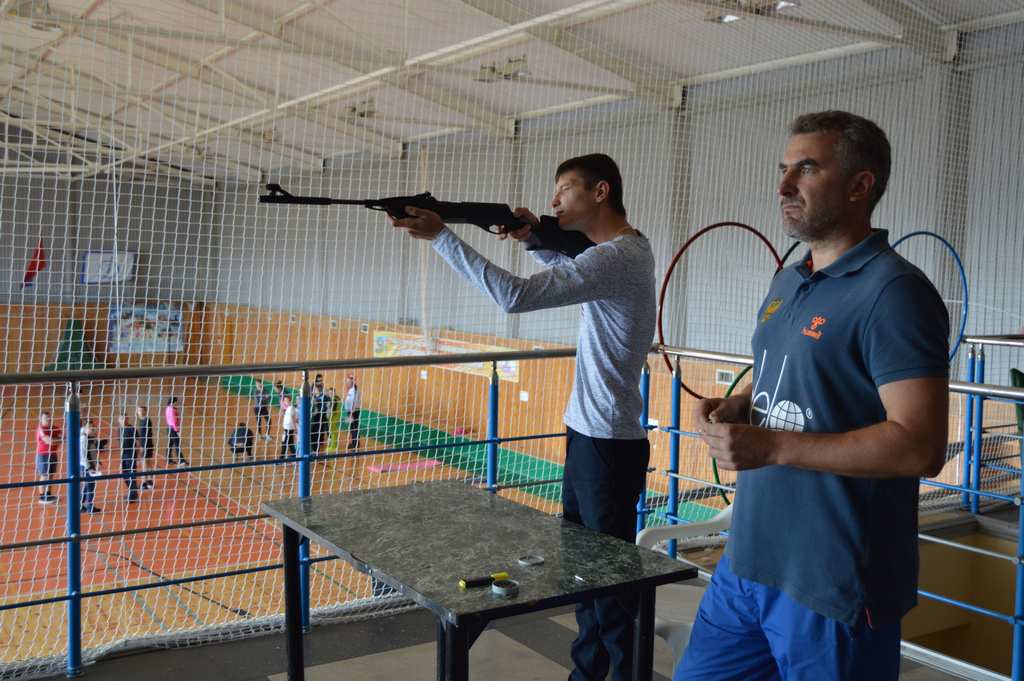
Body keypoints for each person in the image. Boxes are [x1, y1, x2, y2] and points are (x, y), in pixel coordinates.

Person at [674, 111, 950, 681]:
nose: (783, 186)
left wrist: (774, 447)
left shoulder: (895, 293)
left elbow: (919, 446)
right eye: (783, 169)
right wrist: (741, 404)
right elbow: (787, 372)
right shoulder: (789, 278)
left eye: (806, 168)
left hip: (832, 584)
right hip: (747, 563)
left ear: (859, 184)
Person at [392, 153, 656, 681]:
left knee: (610, 588)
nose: (554, 200)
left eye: (565, 189)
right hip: (591, 434)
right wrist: (534, 237)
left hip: (606, 442)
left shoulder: (617, 256)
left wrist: (443, 237)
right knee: (585, 577)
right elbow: (572, 269)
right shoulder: (622, 251)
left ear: (600, 192)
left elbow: (514, 297)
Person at [79, 419, 106, 514]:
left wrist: (97, 461)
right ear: (85, 429)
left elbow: (92, 452)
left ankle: (80, 505)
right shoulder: (83, 439)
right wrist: (89, 468)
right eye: (90, 427)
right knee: (90, 486)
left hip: (90, 465)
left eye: (93, 427)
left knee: (87, 486)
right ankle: (89, 507)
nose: (93, 429)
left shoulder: (91, 438)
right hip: (86, 467)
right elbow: (82, 456)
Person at [35, 410, 61, 505]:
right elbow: (49, 441)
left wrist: (56, 440)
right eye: (46, 418)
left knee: (50, 475)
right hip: (43, 455)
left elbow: (63, 437)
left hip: (53, 454)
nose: (48, 419)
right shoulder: (40, 429)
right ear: (41, 419)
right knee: (44, 475)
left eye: (49, 417)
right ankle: (42, 497)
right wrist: (57, 439)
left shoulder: (54, 428)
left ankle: (48, 494)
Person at [118, 413, 139, 503]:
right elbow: (121, 444)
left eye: (125, 418)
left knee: (131, 474)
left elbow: (138, 443)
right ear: (119, 420)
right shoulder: (119, 430)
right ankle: (133, 492)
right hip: (124, 455)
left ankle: (132, 495)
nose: (123, 420)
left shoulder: (131, 429)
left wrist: (136, 455)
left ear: (127, 419)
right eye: (121, 419)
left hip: (131, 455)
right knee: (124, 474)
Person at [135, 405, 155, 490]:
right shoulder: (141, 420)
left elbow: (147, 435)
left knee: (145, 464)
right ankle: (149, 482)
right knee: (147, 463)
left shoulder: (147, 420)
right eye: (138, 410)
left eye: (141, 410)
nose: (139, 412)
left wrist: (143, 446)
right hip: (145, 445)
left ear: (145, 411)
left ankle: (144, 483)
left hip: (147, 445)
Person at [164, 396, 187, 467]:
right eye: (177, 402)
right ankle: (181, 461)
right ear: (174, 402)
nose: (178, 403)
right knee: (177, 445)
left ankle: (168, 459)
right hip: (173, 429)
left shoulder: (168, 408)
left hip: (169, 428)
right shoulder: (172, 410)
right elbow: (173, 421)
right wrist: (177, 430)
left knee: (170, 444)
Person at [343, 374, 361, 451]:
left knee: (354, 427)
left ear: (352, 382)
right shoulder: (351, 390)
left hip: (353, 412)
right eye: (346, 382)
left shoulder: (354, 391)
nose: (346, 383)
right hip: (350, 411)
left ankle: (355, 444)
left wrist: (351, 414)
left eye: (348, 382)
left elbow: (354, 402)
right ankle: (355, 442)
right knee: (352, 427)